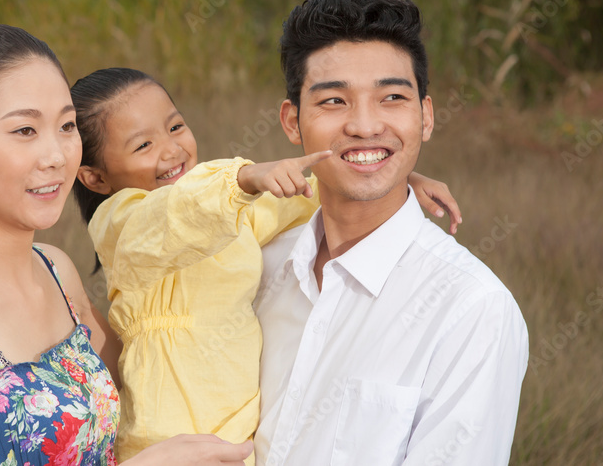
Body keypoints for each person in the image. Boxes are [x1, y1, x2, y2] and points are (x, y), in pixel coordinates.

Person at [0, 24, 253, 466]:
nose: (56, 155)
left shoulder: (55, 270)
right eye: (25, 131)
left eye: (66, 126)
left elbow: (145, 375)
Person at [69, 67, 462, 464]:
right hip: (165, 434)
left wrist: (396, 179)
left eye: (175, 127)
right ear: (95, 178)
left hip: (240, 437)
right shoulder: (120, 224)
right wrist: (243, 178)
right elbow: (176, 215)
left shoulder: (234, 212)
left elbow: (310, 198)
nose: (171, 150)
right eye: (143, 146)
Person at [254, 0, 529, 465]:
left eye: (392, 98)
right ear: (292, 123)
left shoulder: (471, 311)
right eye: (334, 101)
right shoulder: (258, 265)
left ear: (425, 116)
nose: (364, 126)